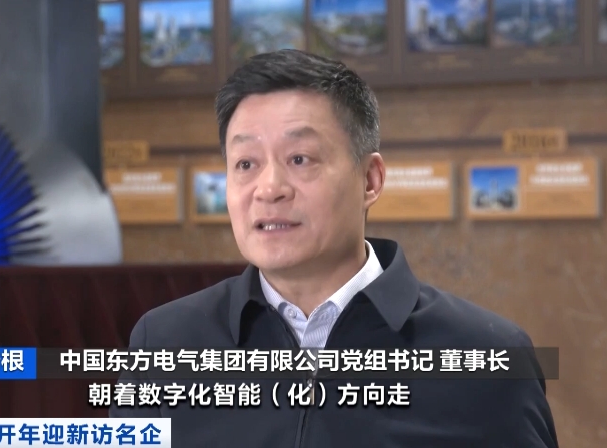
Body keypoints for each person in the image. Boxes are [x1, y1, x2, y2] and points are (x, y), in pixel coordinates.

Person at [110, 49, 558, 447]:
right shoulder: (164, 343)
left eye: (299, 159)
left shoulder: (487, 356)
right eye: (245, 163)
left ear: (370, 180)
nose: (269, 188)